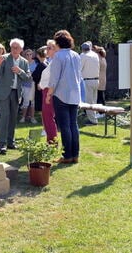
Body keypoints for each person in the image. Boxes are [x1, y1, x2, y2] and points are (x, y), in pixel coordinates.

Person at [47, 30, 82, 164]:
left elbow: (54, 79)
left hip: (61, 95)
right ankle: (75, 155)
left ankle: (67, 155)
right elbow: (79, 76)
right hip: (74, 94)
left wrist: (49, 94)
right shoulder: (76, 55)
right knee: (74, 124)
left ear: (57, 42)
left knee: (65, 126)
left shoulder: (58, 56)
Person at [0, 38, 31, 155]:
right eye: (12, 47)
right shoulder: (4, 58)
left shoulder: (24, 62)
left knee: (13, 117)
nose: (14, 49)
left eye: (17, 47)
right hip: (4, 92)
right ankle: (1, 144)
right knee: (5, 116)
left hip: (16, 93)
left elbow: (27, 77)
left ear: (21, 49)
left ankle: (10, 142)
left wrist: (20, 71)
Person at [36, 41, 57, 143]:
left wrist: (47, 92)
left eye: (49, 48)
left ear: (55, 49)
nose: (46, 50)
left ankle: (52, 142)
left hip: (49, 91)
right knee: (46, 117)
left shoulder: (55, 62)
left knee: (48, 117)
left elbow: (53, 79)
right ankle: (51, 141)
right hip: (46, 90)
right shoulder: (51, 61)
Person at [80, 41, 100, 124]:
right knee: (94, 101)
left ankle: (93, 120)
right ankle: (94, 117)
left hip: (88, 80)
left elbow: (79, 68)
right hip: (96, 80)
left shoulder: (83, 55)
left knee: (88, 102)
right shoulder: (95, 55)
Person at [19, 48, 37, 123]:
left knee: (32, 102)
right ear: (24, 55)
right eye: (27, 54)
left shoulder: (35, 63)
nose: (29, 56)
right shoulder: (22, 63)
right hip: (24, 84)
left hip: (32, 84)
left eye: (30, 54)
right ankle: (23, 117)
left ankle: (32, 118)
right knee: (25, 102)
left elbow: (38, 73)